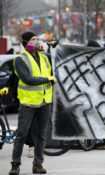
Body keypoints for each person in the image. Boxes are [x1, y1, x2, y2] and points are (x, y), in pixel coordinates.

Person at [8, 31, 56, 175]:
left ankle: (38, 165)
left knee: (42, 135)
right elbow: (28, 79)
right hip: (28, 103)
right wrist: (47, 79)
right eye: (33, 39)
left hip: (44, 101)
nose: (36, 41)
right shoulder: (20, 59)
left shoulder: (43, 56)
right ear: (25, 43)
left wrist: (54, 49)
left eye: (37, 39)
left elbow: (55, 65)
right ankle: (15, 165)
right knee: (21, 134)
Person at [0, 72, 36, 159]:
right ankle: (31, 146)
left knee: (29, 124)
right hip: (19, 99)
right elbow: (10, 81)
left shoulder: (33, 69)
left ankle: (31, 145)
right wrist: (6, 87)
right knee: (27, 124)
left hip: (31, 99)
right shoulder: (18, 68)